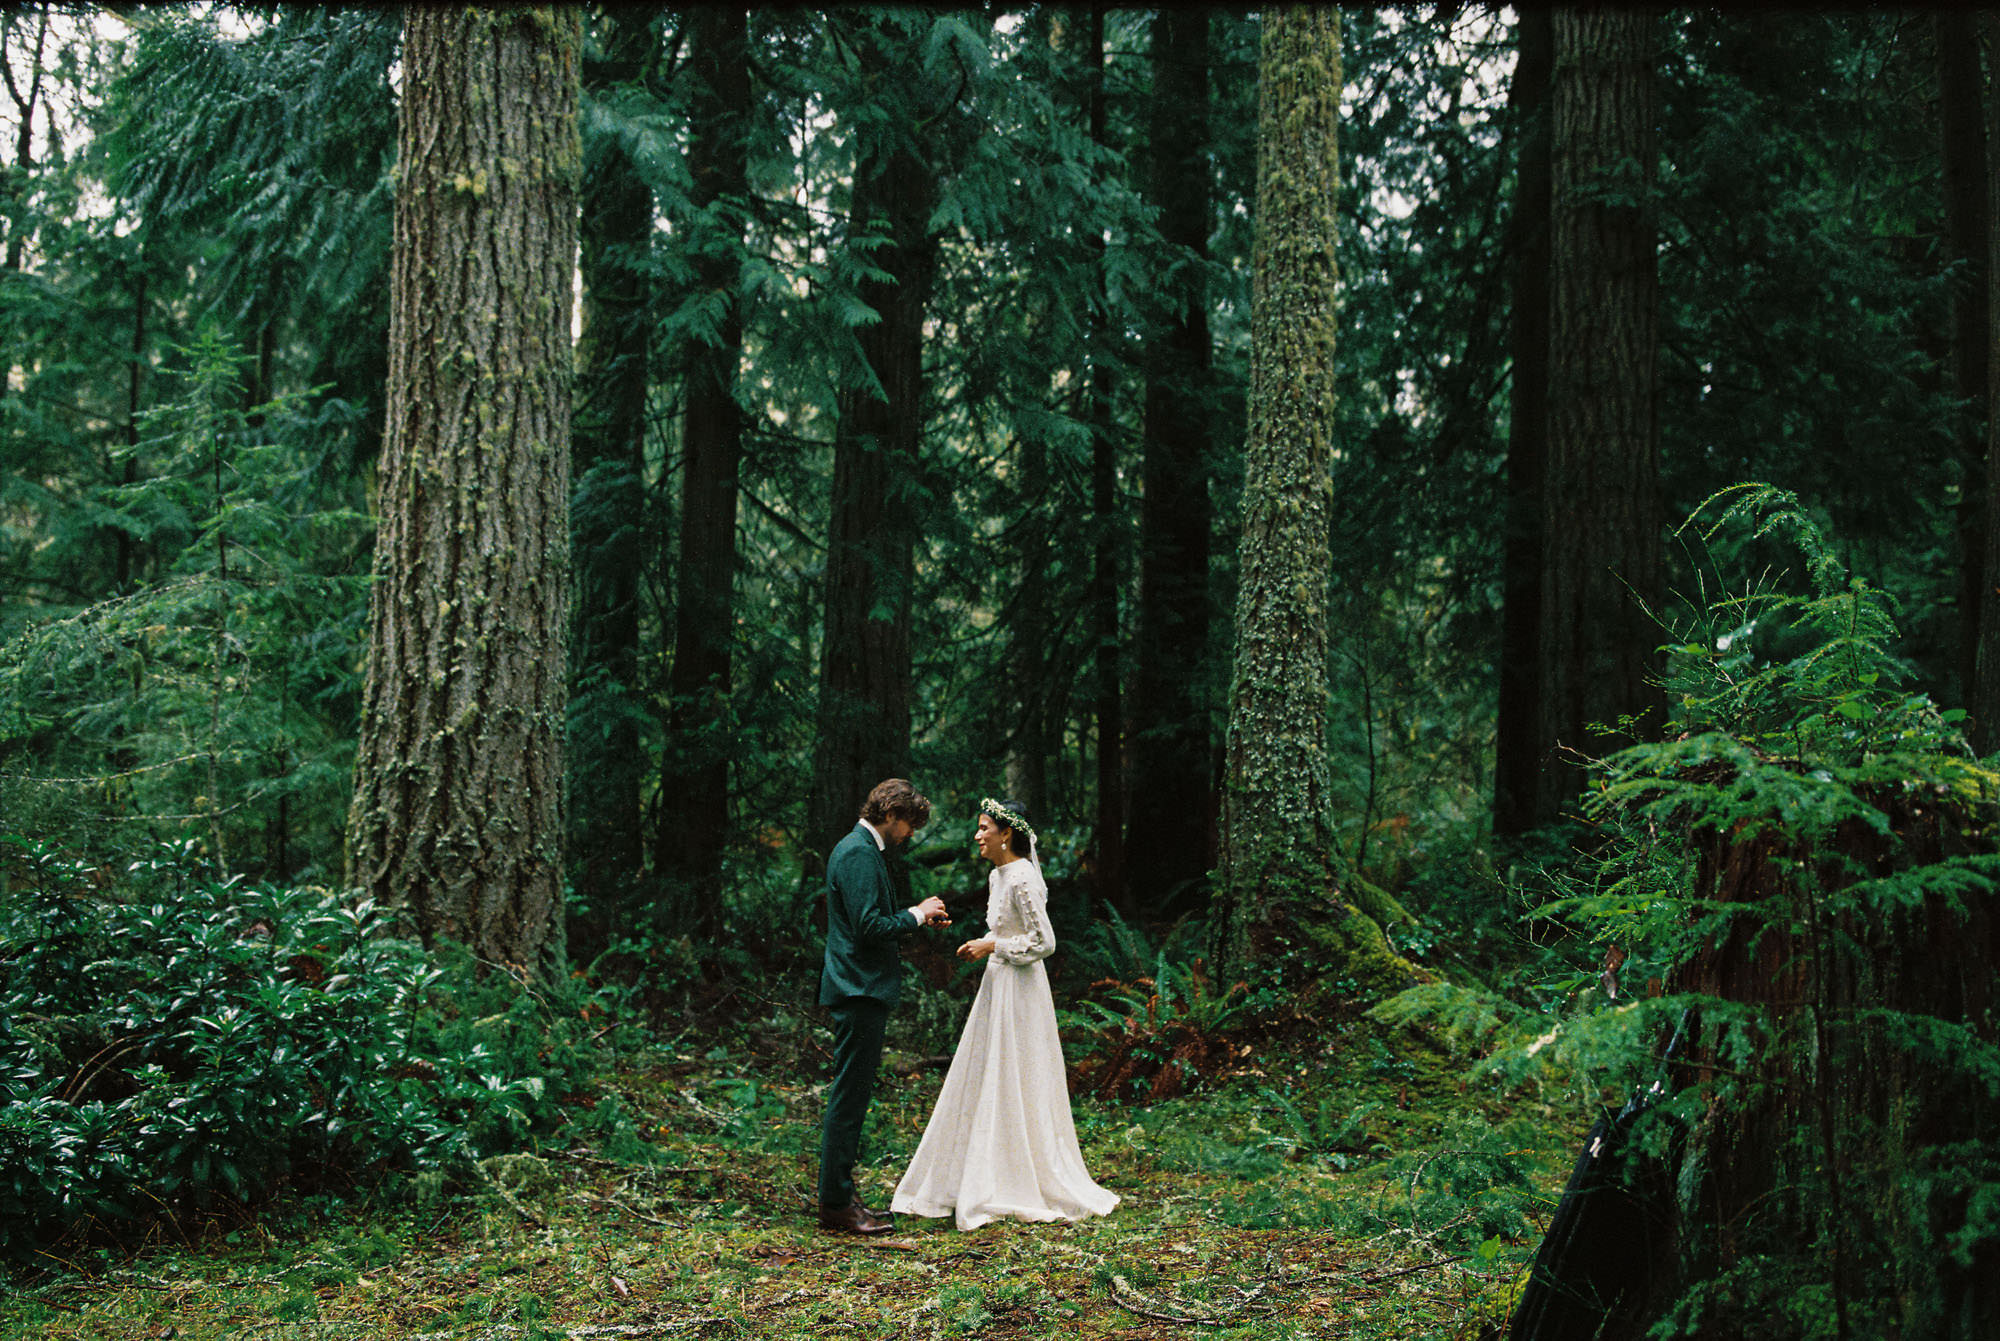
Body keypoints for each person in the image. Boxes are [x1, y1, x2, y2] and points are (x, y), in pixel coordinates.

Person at [891, 797, 1119, 1231]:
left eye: (983, 828)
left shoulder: (1023, 878)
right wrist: (983, 940)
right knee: (988, 1073)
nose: (977, 836)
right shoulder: (999, 876)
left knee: (1019, 1072)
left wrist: (993, 945)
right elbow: (1007, 931)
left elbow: (1044, 943)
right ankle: (984, 1170)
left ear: (1006, 833)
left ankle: (1021, 1175)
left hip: (1021, 990)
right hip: (998, 985)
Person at [817, 778, 951, 1235]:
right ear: (891, 814)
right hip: (858, 988)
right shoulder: (857, 852)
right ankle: (835, 1204)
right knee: (848, 1099)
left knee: (851, 1096)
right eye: (909, 824)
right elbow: (869, 926)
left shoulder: (861, 850)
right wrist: (915, 913)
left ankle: (841, 1197)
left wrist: (916, 916)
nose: (910, 834)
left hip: (861, 988)